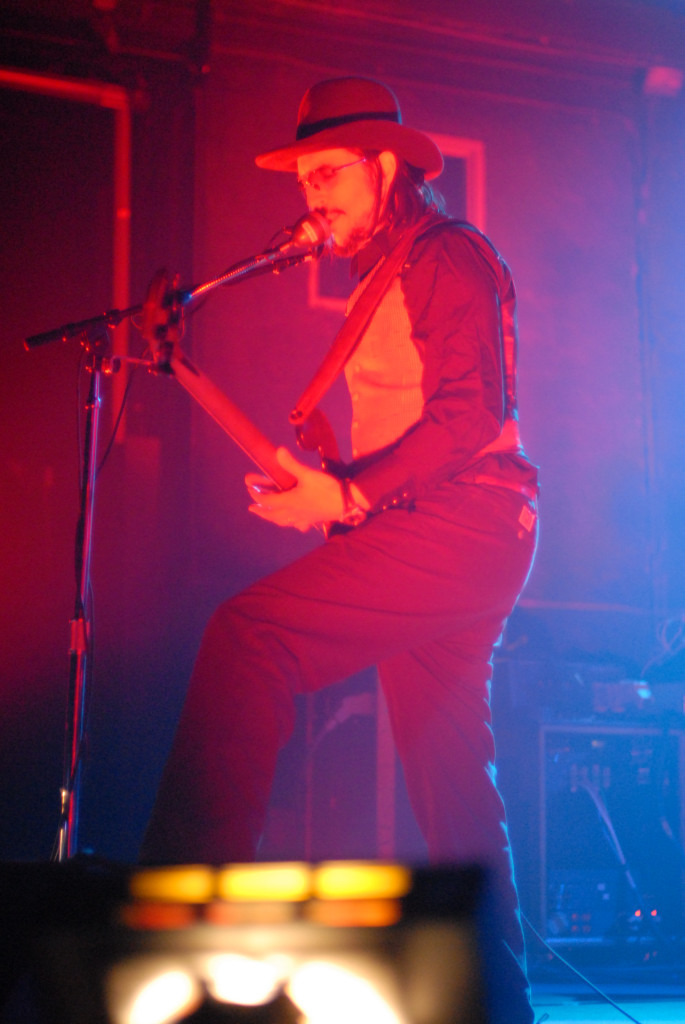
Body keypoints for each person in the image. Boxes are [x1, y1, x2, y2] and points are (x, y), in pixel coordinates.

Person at [141, 77, 539, 1023]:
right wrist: (331, 487)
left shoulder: (446, 253)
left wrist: (352, 493)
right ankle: (501, 1004)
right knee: (449, 775)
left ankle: (178, 930)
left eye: (327, 174)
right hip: (438, 527)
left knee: (249, 637)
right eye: (303, 179)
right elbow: (412, 426)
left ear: (385, 167)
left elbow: (471, 412)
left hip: (466, 523)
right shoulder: (381, 275)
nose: (311, 196)